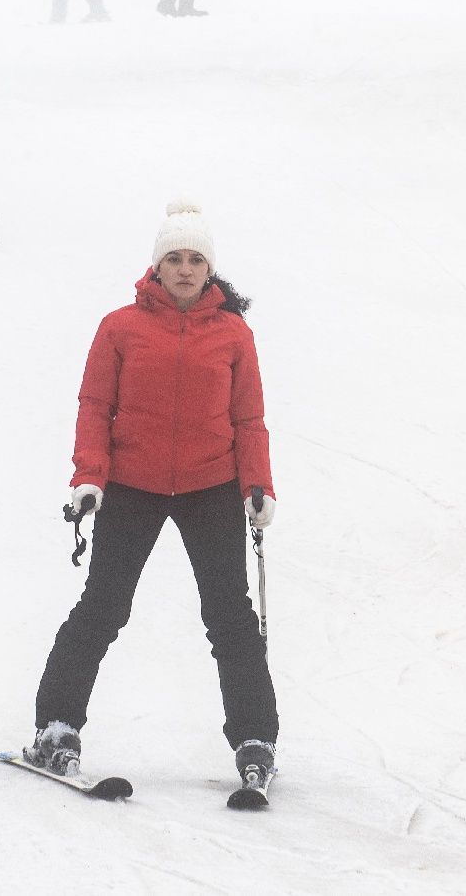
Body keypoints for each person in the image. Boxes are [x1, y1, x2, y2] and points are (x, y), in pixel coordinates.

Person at [25, 200, 279, 797]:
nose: (186, 269)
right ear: (157, 266)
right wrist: (89, 475)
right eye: (174, 258)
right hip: (134, 484)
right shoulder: (121, 327)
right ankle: (56, 728)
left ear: (210, 269)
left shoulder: (233, 334)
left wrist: (258, 484)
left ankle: (255, 739)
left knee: (230, 617)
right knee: (103, 608)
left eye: (196, 259)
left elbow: (249, 418)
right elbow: (95, 405)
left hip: (210, 485)